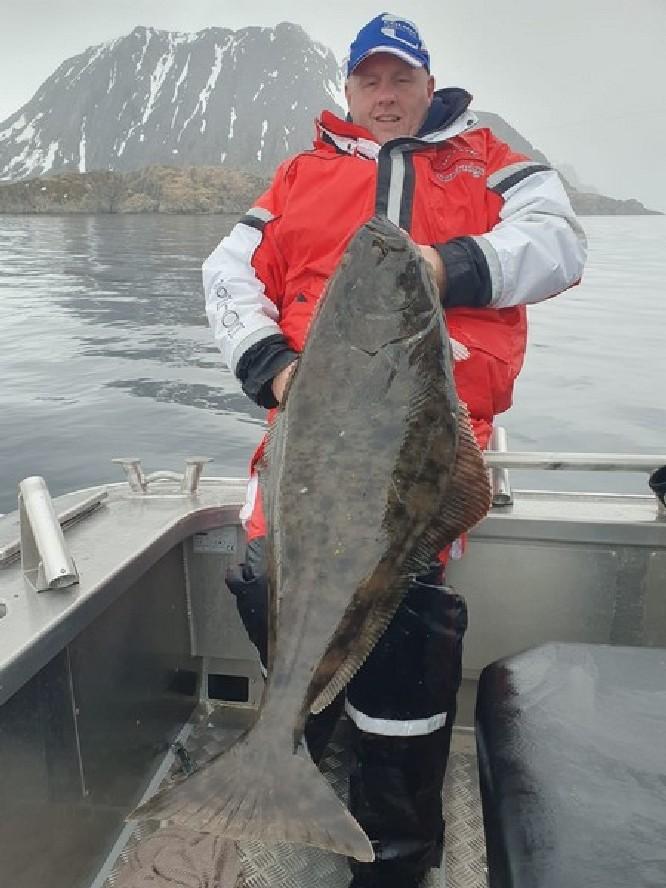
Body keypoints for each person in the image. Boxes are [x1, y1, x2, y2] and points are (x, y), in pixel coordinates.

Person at [203, 12, 587, 887]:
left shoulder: (489, 161)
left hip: (420, 446)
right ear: (348, 90)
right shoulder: (299, 175)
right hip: (308, 435)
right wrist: (272, 366)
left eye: (400, 78)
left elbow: (560, 244)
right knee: (263, 582)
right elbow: (228, 274)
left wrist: (444, 266)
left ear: (428, 85)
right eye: (368, 80)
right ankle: (299, 750)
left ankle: (396, 842)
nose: (384, 95)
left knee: (407, 628)